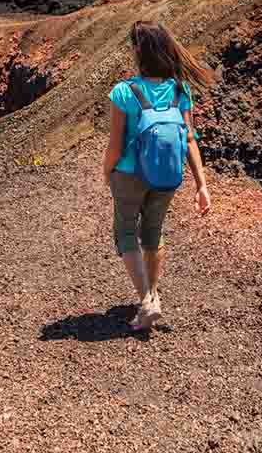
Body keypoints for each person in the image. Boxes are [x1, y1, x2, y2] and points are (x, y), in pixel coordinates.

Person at [103, 20, 214, 331]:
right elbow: (190, 138)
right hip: (167, 174)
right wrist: (201, 185)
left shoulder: (125, 92)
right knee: (152, 232)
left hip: (128, 175)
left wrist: (106, 171)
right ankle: (151, 293)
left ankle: (149, 301)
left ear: (138, 50)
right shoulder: (181, 90)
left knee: (125, 233)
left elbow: (115, 143)